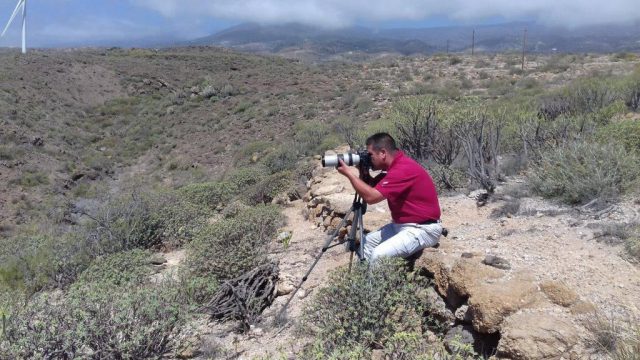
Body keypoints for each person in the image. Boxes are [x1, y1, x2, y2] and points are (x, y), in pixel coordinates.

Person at [337, 132, 443, 262]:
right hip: (401, 226)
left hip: (422, 229)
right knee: (367, 243)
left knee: (379, 255)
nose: (369, 158)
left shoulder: (402, 169)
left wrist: (349, 173)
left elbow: (371, 197)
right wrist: (362, 171)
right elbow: (371, 188)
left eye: (370, 154)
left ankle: (374, 282)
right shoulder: (394, 167)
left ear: (383, 153)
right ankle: (363, 280)